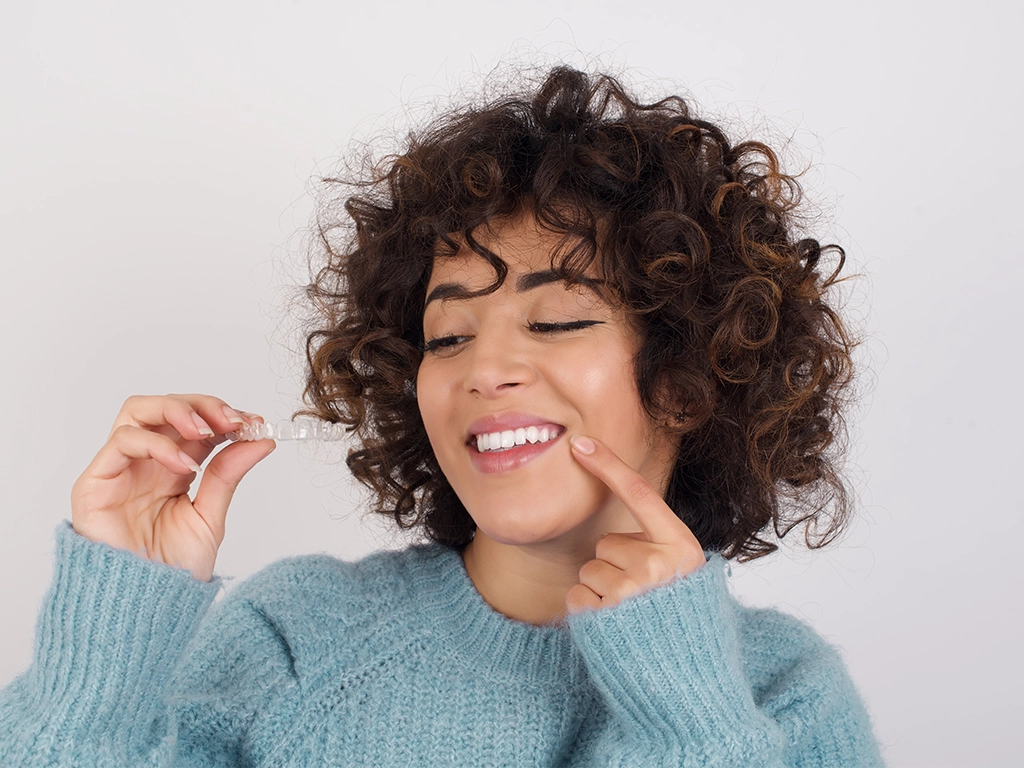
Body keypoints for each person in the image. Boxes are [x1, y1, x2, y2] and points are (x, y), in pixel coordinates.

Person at [0, 66, 885, 766]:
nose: (486, 368)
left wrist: (687, 715)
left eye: (558, 320)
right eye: (448, 335)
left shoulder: (781, 692)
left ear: (688, 382)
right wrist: (105, 650)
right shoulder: (297, 636)